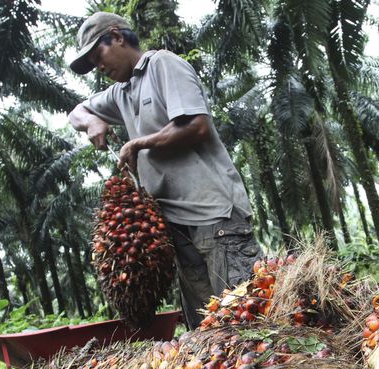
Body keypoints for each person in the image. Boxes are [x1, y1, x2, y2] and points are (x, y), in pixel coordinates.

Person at [67, 12, 261, 329]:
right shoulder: (121, 93)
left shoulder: (162, 65)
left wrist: (138, 144)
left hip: (216, 218)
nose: (99, 68)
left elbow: (196, 126)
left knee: (251, 321)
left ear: (116, 36)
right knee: (209, 332)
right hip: (176, 229)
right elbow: (76, 111)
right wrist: (92, 120)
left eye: (97, 55)